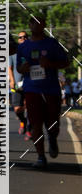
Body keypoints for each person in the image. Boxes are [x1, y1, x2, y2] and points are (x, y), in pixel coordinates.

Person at [16, 14, 69, 169]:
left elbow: (65, 63)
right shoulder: (23, 47)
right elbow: (19, 66)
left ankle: (52, 138)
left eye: (40, 23)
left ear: (44, 25)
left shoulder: (52, 44)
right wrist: (22, 68)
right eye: (33, 22)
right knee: (35, 125)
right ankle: (40, 156)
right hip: (32, 89)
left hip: (51, 90)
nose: (36, 25)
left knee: (52, 124)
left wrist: (50, 64)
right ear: (30, 25)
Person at [9, 30, 28, 135]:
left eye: (25, 37)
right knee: (17, 109)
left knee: (30, 105)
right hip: (16, 84)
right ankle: (23, 121)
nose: (23, 39)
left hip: (29, 83)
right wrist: (12, 80)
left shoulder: (31, 50)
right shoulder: (12, 52)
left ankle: (29, 128)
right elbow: (9, 68)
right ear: (18, 40)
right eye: (20, 37)